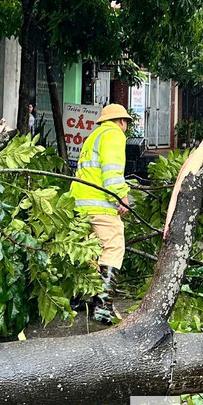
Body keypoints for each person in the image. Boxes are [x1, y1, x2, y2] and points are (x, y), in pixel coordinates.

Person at [72, 103, 135, 324]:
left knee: (88, 251)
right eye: (126, 122)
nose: (126, 126)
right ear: (120, 121)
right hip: (100, 204)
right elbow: (112, 171)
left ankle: (80, 298)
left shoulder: (93, 136)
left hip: (81, 203)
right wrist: (122, 198)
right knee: (113, 246)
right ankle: (103, 306)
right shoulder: (114, 135)